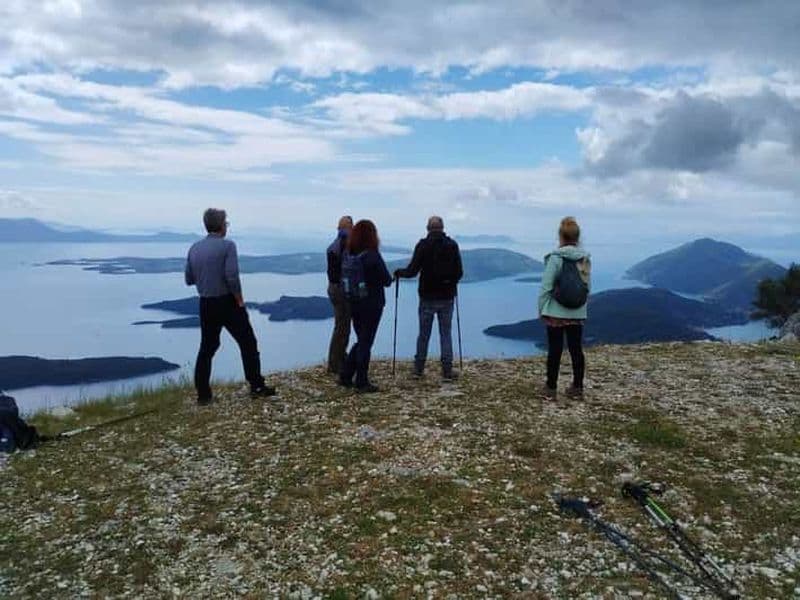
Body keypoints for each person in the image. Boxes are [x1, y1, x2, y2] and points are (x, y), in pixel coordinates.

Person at [185, 208, 275, 405]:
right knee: (248, 343)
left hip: (206, 303)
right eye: (226, 222)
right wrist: (240, 299)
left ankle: (203, 395)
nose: (227, 226)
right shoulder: (228, 246)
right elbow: (232, 276)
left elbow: (189, 279)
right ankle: (256, 385)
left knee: (207, 349)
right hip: (227, 301)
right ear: (221, 225)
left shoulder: (194, 248)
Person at [394, 216, 463, 380]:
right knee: (445, 333)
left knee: (424, 333)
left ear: (428, 229)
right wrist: (451, 284)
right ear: (443, 228)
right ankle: (447, 370)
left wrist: (399, 273)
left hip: (427, 297)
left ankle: (418, 369)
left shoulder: (423, 245)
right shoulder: (452, 246)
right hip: (447, 297)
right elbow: (459, 272)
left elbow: (412, 271)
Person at [538, 217, 591, 400]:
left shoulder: (555, 258)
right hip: (577, 311)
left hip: (555, 312)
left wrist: (541, 309)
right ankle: (577, 388)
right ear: (577, 237)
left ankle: (551, 388)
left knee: (555, 350)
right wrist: (581, 308)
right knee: (576, 349)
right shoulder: (584, 258)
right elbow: (586, 287)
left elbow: (546, 287)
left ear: (560, 236)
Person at [339, 219, 393, 393]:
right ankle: (361, 381)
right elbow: (386, 280)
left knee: (362, 338)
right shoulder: (372, 255)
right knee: (366, 341)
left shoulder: (350, 253)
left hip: (354, 302)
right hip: (372, 304)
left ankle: (346, 375)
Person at [326, 216, 354, 376]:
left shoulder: (334, 244)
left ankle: (339, 357)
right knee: (342, 327)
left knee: (342, 325)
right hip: (340, 289)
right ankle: (335, 363)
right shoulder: (345, 244)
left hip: (333, 287)